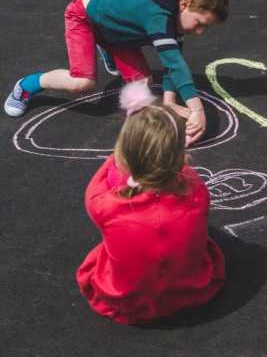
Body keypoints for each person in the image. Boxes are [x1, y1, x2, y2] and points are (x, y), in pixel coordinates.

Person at [4, 0, 229, 144]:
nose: (199, 32)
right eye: (200, 24)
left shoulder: (176, 17)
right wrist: (198, 110)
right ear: (185, 4)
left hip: (116, 33)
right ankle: (26, 85)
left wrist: (169, 101)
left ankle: (108, 48)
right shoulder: (158, 14)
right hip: (85, 18)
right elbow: (175, 65)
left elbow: (173, 62)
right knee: (82, 82)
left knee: (142, 86)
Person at [77, 82, 225, 325]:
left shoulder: (104, 206)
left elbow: (99, 182)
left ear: (124, 157)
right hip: (192, 294)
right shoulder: (198, 193)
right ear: (181, 157)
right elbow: (185, 173)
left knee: (105, 251)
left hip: (126, 302)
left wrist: (115, 158)